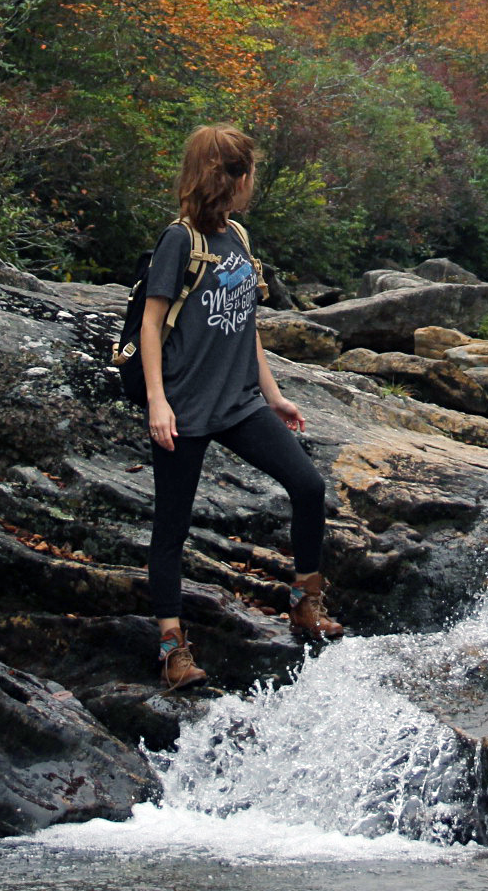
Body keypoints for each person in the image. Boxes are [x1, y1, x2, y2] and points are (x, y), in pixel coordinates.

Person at [140, 123, 342, 689]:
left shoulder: (239, 239)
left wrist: (273, 394)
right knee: (170, 532)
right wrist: (158, 403)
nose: (252, 181)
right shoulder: (178, 240)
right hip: (183, 409)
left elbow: (245, 324)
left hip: (240, 403)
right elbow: (152, 324)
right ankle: (172, 650)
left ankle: (305, 604)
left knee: (308, 486)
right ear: (233, 177)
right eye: (249, 172)